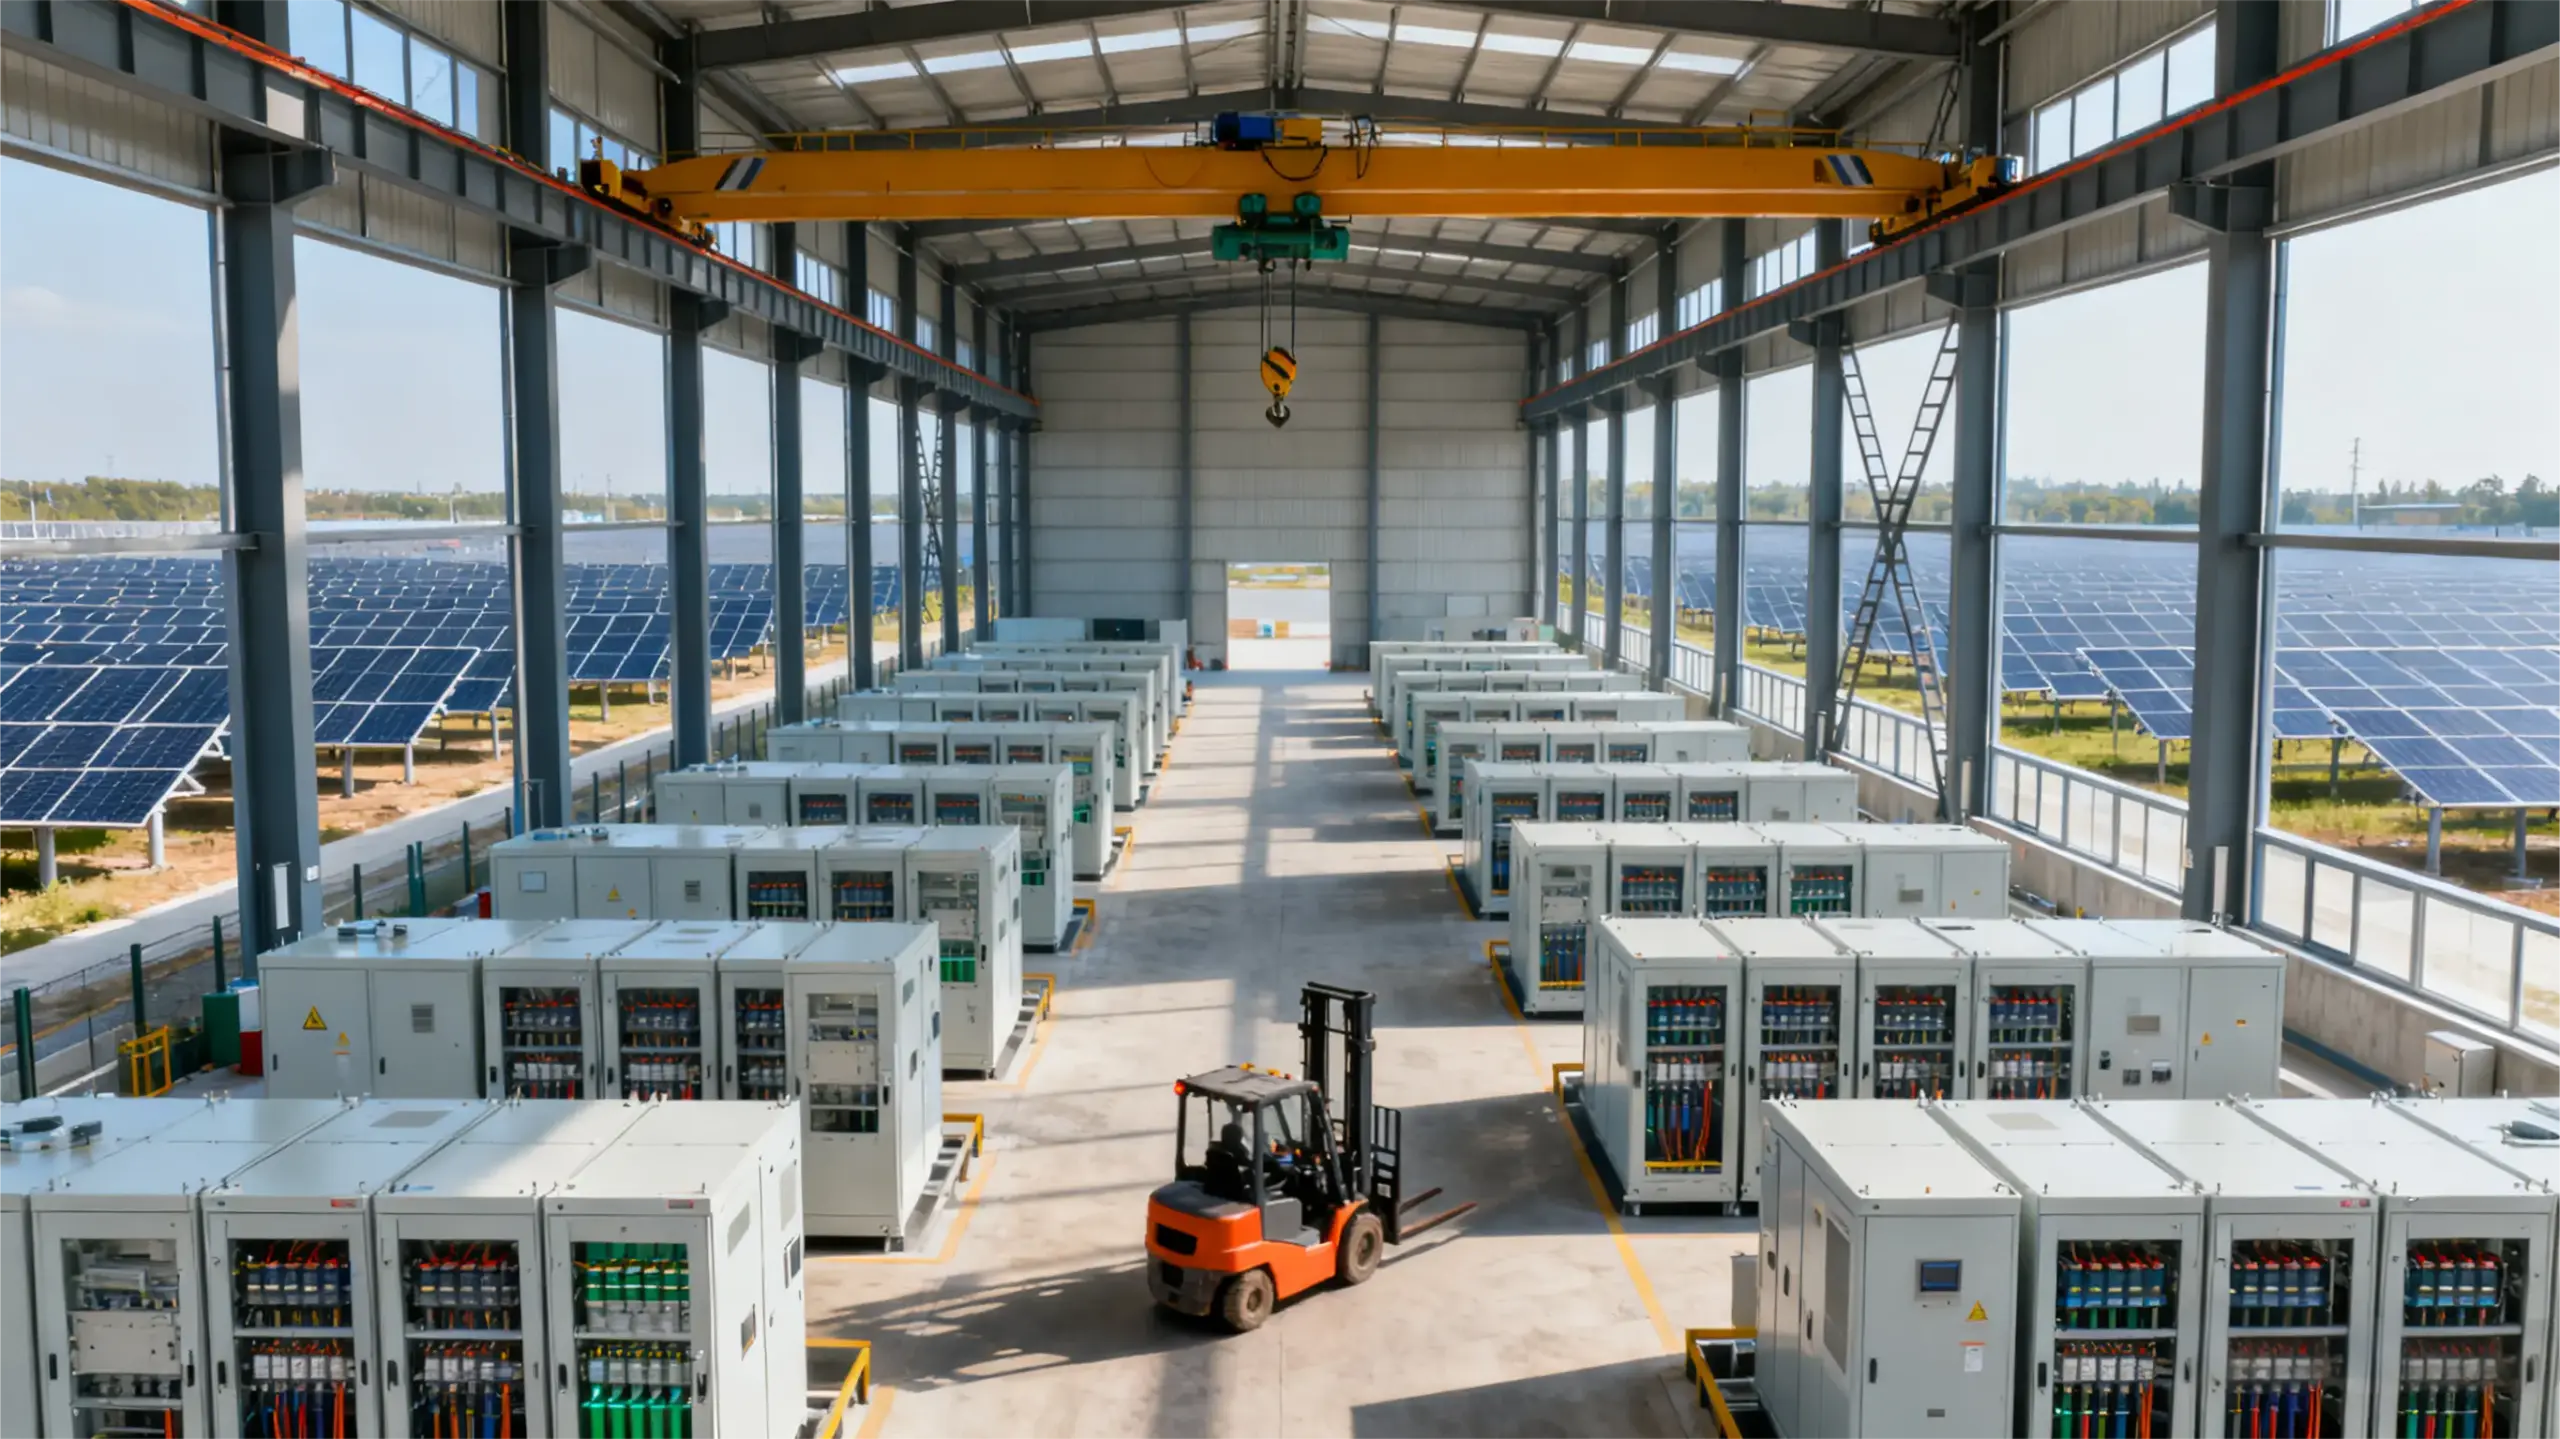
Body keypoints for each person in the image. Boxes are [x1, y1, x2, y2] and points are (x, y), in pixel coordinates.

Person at [1202, 1119, 1253, 1202]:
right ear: (1235, 1140)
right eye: (1238, 1139)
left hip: (1213, 1193)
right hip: (1231, 1198)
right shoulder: (1229, 1160)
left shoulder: (1214, 1153)